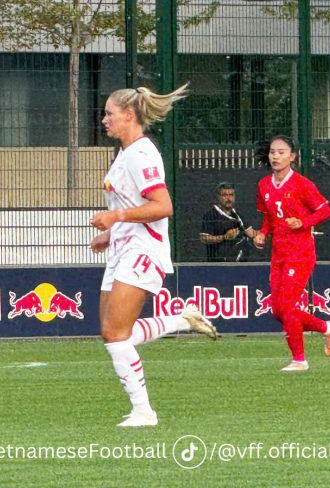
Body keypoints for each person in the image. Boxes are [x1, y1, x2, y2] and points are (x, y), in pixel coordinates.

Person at [90, 85, 219, 428]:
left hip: (143, 250)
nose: (104, 119)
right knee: (112, 331)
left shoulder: (141, 155)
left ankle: (144, 412)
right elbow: (132, 204)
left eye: (109, 113)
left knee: (117, 334)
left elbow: (163, 206)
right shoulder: (125, 153)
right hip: (123, 247)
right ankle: (180, 320)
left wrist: (116, 219)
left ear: (128, 116)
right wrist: (111, 231)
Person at [252, 135, 330, 372]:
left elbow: (325, 211)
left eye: (281, 152)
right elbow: (269, 218)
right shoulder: (264, 185)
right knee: (277, 310)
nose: (275, 156)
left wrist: (302, 222)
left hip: (300, 253)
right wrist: (262, 234)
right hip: (278, 253)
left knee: (287, 306)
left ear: (292, 156)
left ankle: (299, 360)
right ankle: (326, 328)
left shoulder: (302, 184)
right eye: (272, 152)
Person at [200, 182, 257, 261]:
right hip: (218, 265)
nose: (228, 198)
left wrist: (266, 232)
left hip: (240, 265)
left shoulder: (238, 216)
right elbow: (204, 238)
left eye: (231, 195)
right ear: (218, 197)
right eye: (224, 195)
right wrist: (225, 237)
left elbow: (251, 233)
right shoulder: (210, 215)